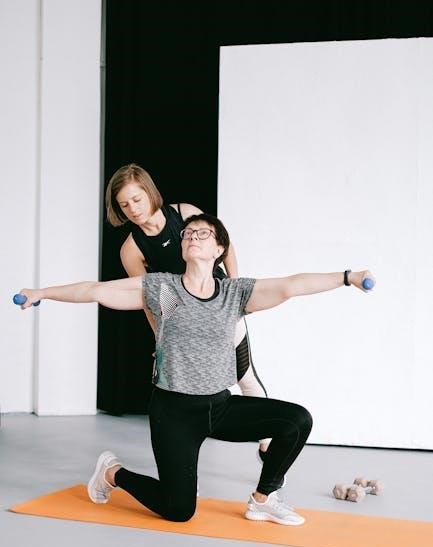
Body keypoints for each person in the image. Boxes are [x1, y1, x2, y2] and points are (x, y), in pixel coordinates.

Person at [18, 213, 374, 526]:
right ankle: (112, 472)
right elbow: (96, 291)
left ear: (219, 248)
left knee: (296, 421)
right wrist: (42, 293)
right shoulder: (165, 291)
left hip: (219, 406)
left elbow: (291, 285)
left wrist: (348, 277)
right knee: (178, 509)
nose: (192, 236)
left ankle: (263, 500)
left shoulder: (234, 294)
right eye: (188, 233)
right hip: (173, 412)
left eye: (202, 233)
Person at [105, 164, 271, 459]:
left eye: (137, 199)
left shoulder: (184, 213)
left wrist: (234, 290)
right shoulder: (131, 249)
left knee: (244, 376)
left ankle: (269, 447)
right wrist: (162, 337)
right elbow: (152, 296)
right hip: (186, 320)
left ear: (149, 192)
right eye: (124, 205)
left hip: (220, 306)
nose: (133, 209)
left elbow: (225, 245)